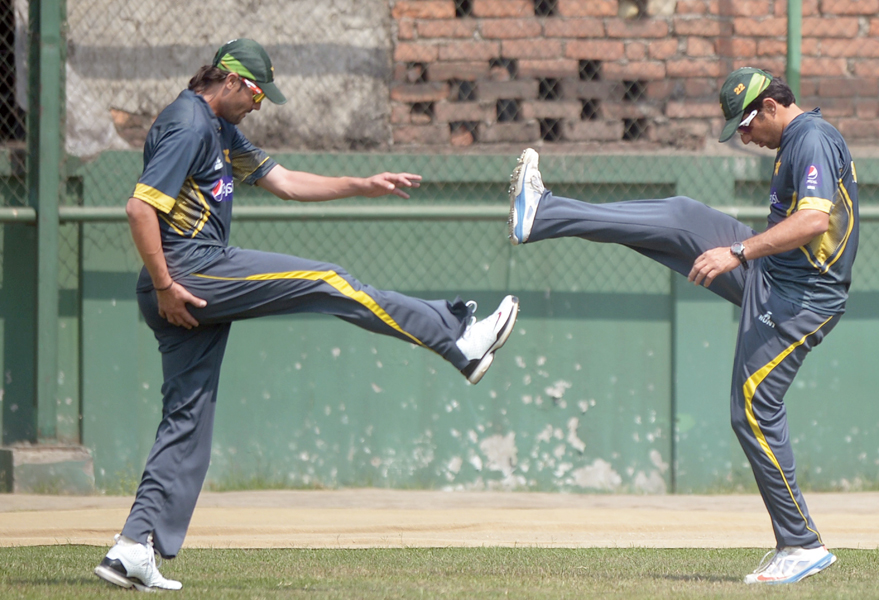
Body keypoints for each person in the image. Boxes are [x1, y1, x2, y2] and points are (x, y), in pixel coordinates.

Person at [93, 38, 519, 592]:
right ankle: (456, 338)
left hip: (185, 287)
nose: (259, 105)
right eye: (256, 95)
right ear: (229, 81)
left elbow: (284, 181)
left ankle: (133, 546)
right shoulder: (190, 123)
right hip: (191, 274)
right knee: (326, 280)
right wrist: (167, 283)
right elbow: (139, 207)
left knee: (188, 419)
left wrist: (361, 186)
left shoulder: (219, 129)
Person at [508, 67, 857, 585]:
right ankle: (543, 214)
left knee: (753, 409)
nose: (742, 137)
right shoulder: (795, 139)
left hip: (800, 298)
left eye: (744, 125)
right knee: (678, 217)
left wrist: (737, 251)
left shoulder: (811, 138)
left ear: (768, 107)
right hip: (777, 275)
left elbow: (813, 221)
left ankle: (801, 545)